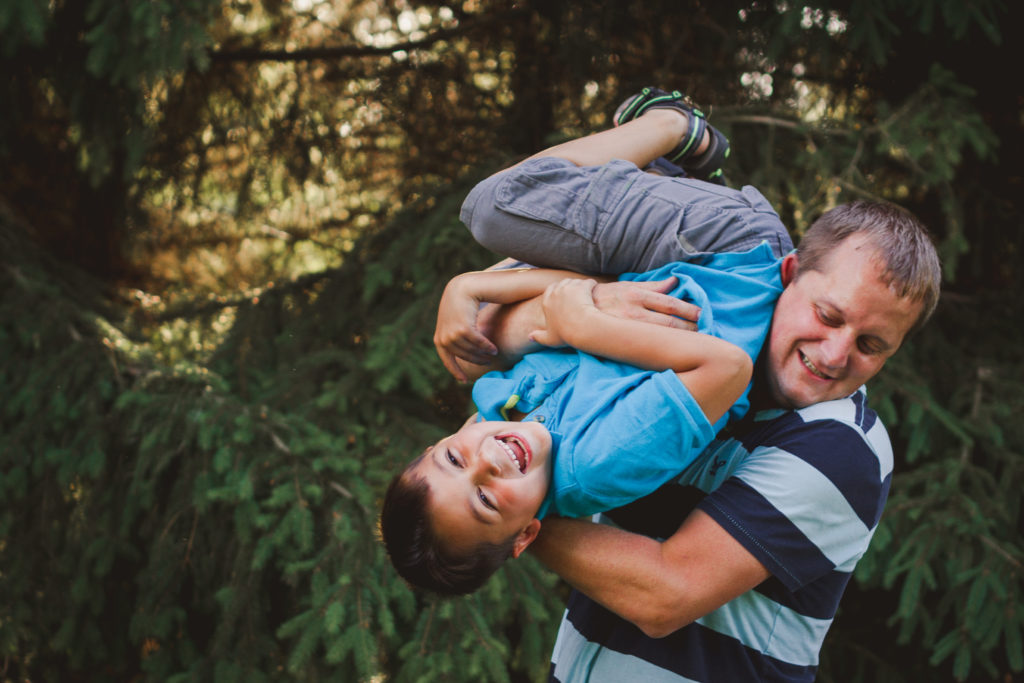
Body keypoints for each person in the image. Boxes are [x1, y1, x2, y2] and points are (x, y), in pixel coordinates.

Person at [441, 87, 942, 681]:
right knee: (506, 205)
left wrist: (496, 513)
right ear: (789, 277)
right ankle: (673, 135)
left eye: (871, 345)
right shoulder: (679, 346)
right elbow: (484, 345)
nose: (835, 354)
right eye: (828, 317)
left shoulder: (840, 446)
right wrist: (569, 302)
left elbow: (663, 592)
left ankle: (672, 151)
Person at [381, 237, 783, 595]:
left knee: (492, 260)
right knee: (493, 208)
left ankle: (679, 162)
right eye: (485, 500)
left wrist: (466, 286)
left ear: (442, 442)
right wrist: (582, 326)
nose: (487, 462)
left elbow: (570, 289)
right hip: (732, 269)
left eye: (453, 459)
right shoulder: (595, 463)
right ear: (524, 536)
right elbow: (728, 368)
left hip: (672, 260)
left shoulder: (497, 401)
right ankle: (690, 152)